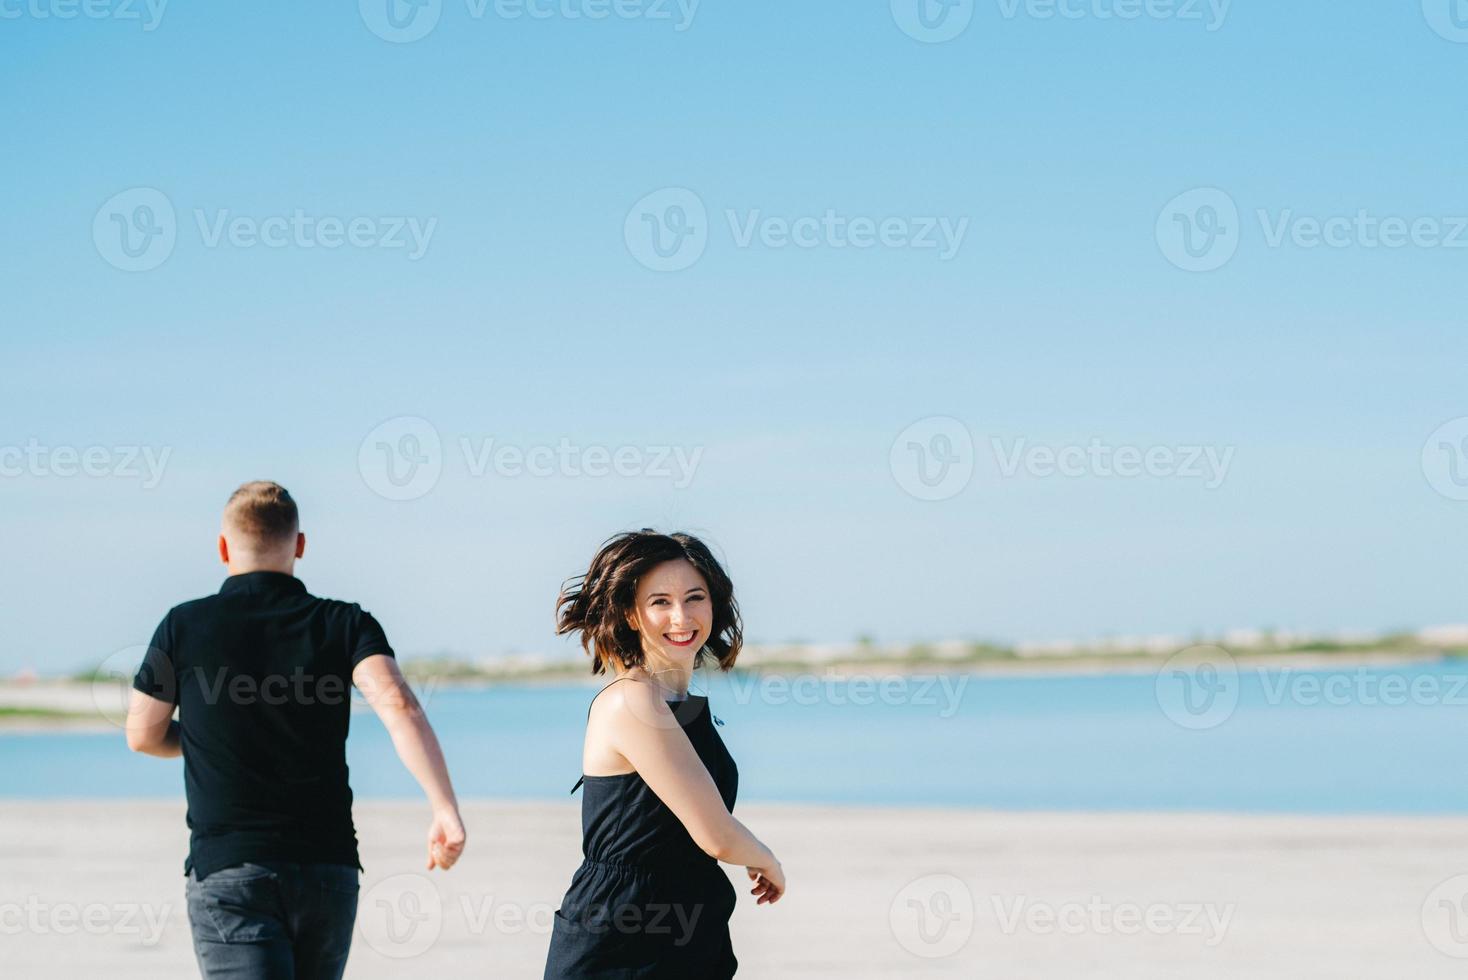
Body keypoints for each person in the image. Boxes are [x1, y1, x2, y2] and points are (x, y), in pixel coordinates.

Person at [125, 481, 466, 980]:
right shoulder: (344, 623)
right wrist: (444, 809)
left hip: (230, 870)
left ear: (223, 548)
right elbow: (400, 708)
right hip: (326, 868)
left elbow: (142, 734)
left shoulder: (182, 625)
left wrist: (208, 740)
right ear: (299, 545)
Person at [543, 530, 784, 979]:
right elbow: (716, 834)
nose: (681, 616)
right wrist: (765, 859)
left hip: (691, 931)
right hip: (619, 937)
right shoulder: (631, 701)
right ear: (631, 615)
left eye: (695, 598)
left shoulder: (684, 704)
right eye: (660, 602)